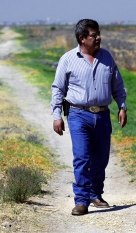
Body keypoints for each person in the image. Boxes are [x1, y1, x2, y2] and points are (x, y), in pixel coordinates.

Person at [51, 19, 128, 215]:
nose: (98, 38)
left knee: (101, 158)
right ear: (82, 38)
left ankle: (95, 193)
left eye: (99, 34)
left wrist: (122, 106)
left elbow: (117, 85)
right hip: (78, 114)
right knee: (82, 158)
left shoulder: (107, 58)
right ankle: (82, 200)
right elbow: (58, 89)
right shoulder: (68, 59)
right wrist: (56, 115)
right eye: (94, 35)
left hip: (102, 115)